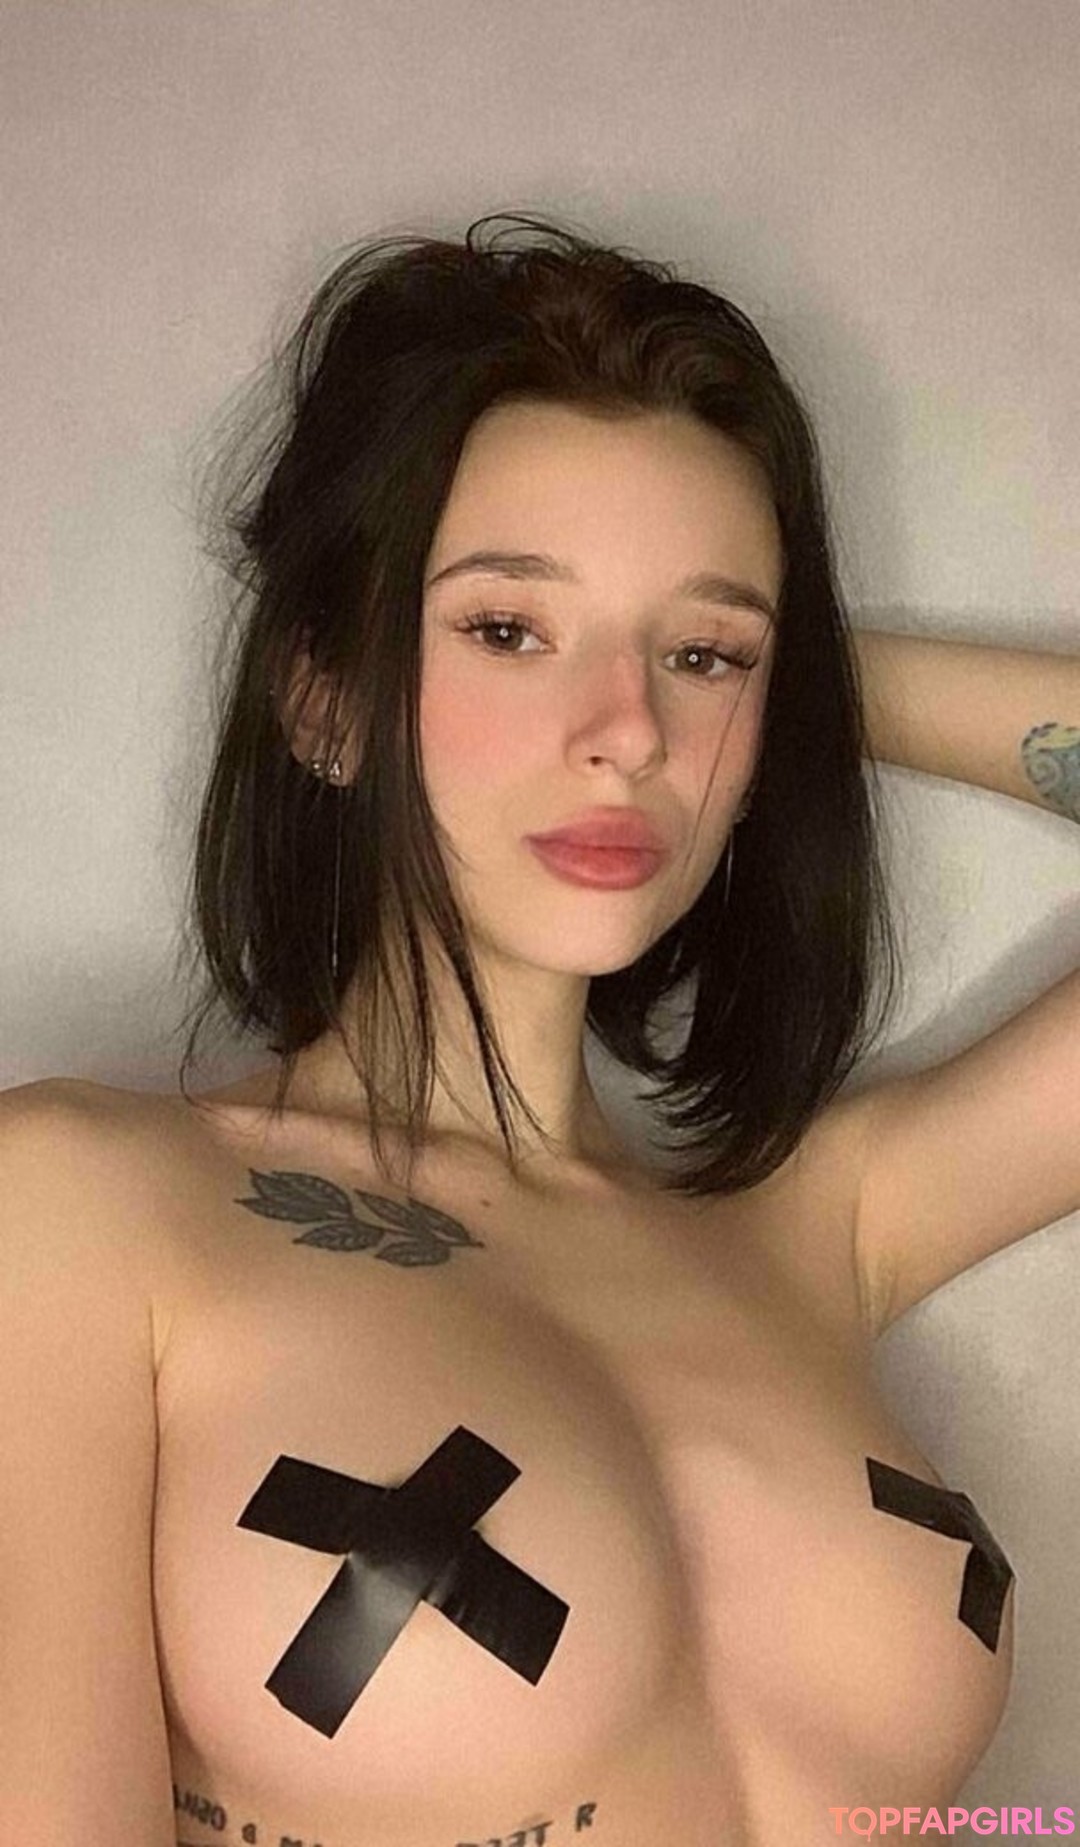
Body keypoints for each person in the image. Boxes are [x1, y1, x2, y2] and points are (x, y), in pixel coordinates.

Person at [2, 211, 1078, 1847]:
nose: (628, 732)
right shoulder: (81, 1209)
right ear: (326, 695)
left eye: (702, 652)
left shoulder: (815, 1229)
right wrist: (720, 662)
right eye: (510, 629)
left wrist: (789, 694)